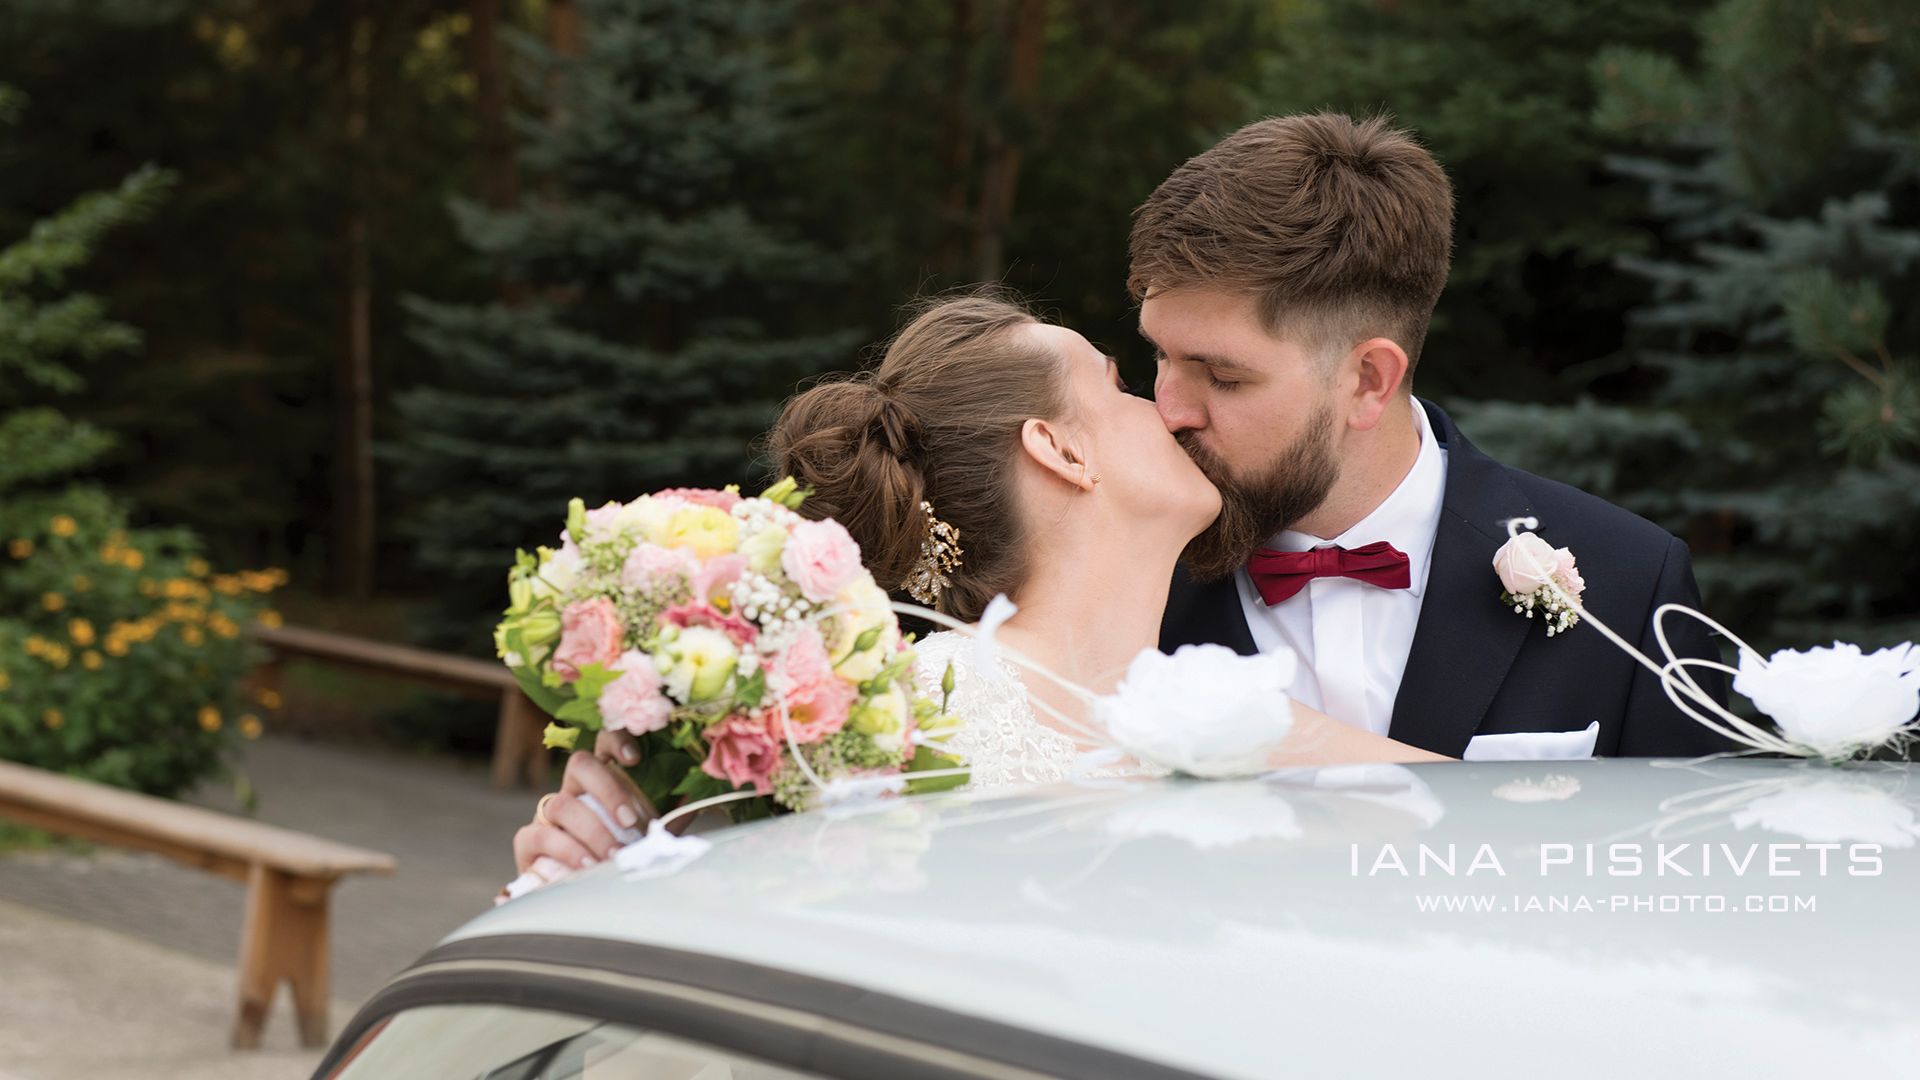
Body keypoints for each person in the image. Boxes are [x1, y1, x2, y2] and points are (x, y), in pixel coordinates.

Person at [512, 294, 1445, 879]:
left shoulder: (1223, 713)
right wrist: (607, 866)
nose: (1166, 407)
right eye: (1119, 385)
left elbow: (1494, 847)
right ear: (1060, 448)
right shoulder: (881, 733)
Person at [1135, 112, 1730, 760]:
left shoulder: (1632, 582)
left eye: (1221, 376)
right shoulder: (1122, 577)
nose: (1167, 412)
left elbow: (1687, 855)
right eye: (1160, 357)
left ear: (1369, 380)